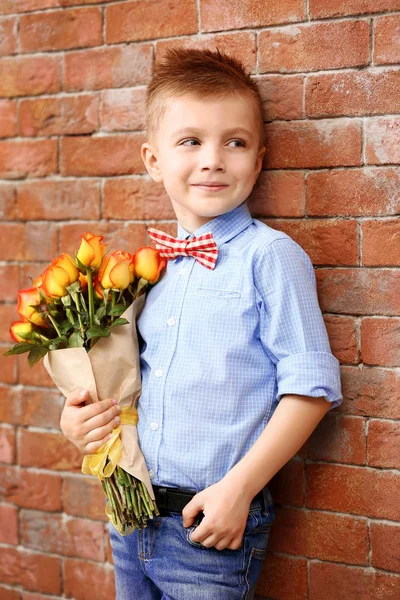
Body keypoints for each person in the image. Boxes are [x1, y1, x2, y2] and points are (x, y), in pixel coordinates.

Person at [60, 48, 343, 600]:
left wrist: (239, 490)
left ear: (258, 159)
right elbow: (126, 382)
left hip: (208, 522)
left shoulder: (271, 257)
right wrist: (79, 424)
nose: (213, 159)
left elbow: (311, 388)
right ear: (152, 160)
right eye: (190, 141)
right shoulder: (145, 270)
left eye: (234, 142)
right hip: (130, 514)